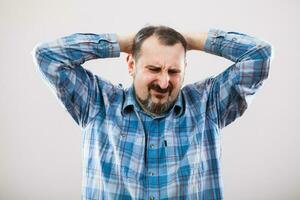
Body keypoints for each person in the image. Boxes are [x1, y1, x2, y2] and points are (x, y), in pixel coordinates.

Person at [32, 25, 272, 199]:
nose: (164, 82)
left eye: (174, 71)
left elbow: (259, 54)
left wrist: (188, 39)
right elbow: (47, 56)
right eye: (154, 69)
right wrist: (125, 42)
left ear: (185, 68)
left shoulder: (207, 104)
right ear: (131, 65)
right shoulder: (97, 102)